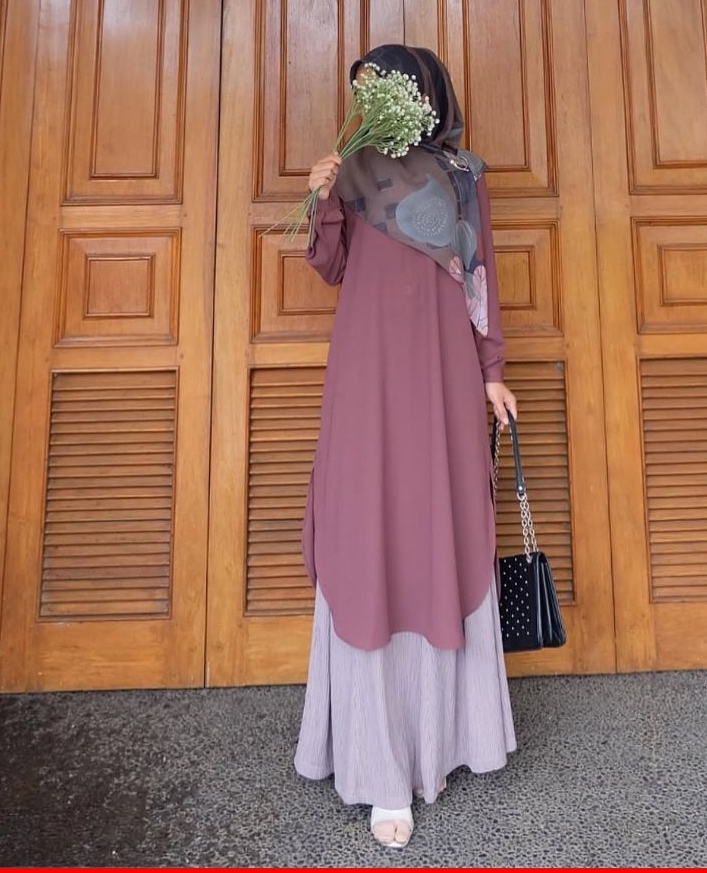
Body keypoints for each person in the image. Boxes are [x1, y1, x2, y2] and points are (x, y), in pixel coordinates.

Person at [292, 45, 518, 849]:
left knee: (438, 528)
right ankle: (380, 766)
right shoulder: (353, 170)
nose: (366, 104)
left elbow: (479, 276)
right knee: (367, 531)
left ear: (419, 93)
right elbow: (329, 265)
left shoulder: (461, 173)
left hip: (443, 376)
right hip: (366, 381)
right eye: (359, 93)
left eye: (378, 89)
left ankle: (443, 742)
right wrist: (320, 196)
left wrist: (492, 372)